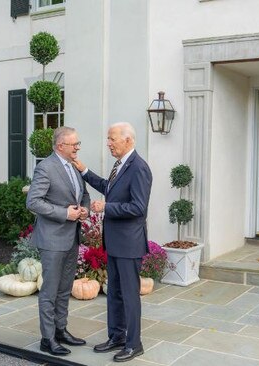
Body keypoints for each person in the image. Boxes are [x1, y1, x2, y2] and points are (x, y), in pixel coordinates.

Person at [72, 122, 152, 363]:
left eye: (112, 139)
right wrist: (85, 171)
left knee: (129, 295)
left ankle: (134, 344)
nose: (108, 143)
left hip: (129, 245)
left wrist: (107, 206)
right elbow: (109, 188)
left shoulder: (139, 168)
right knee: (115, 293)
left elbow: (138, 208)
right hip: (115, 243)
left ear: (128, 140)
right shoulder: (120, 165)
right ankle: (116, 336)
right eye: (108, 138)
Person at [26, 126, 89, 356]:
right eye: (75, 144)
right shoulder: (45, 168)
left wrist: (84, 210)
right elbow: (33, 202)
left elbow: (84, 194)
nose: (78, 147)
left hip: (71, 238)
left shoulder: (75, 166)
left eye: (78, 144)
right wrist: (65, 213)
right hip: (52, 240)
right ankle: (48, 338)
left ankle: (61, 331)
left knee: (64, 290)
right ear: (60, 146)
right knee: (50, 291)